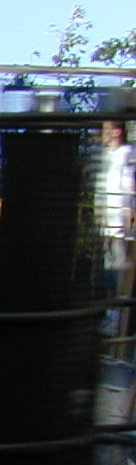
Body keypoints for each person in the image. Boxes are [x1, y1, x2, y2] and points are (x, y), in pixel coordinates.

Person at [101, 120, 136, 332]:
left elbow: (130, 188)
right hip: (106, 224)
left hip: (121, 226)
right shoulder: (106, 155)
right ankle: (110, 315)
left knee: (121, 273)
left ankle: (120, 321)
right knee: (108, 272)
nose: (103, 134)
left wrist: (129, 219)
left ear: (117, 131)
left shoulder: (127, 154)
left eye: (107, 129)